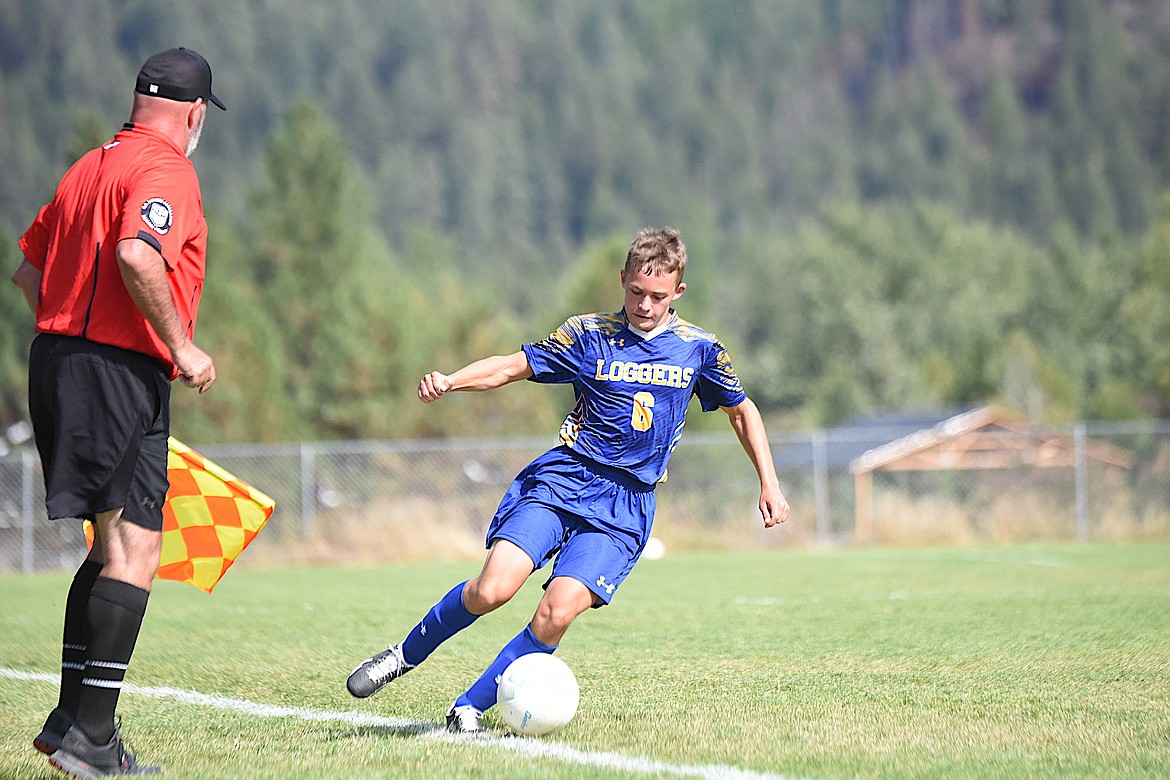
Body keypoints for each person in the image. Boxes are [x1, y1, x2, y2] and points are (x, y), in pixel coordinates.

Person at [347, 227, 789, 733]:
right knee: (492, 589)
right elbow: (513, 367)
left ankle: (467, 708)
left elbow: (742, 410)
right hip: (566, 479)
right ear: (622, 279)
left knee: (555, 615)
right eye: (636, 291)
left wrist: (769, 483)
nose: (645, 305)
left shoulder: (699, 349)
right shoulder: (587, 334)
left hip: (626, 506)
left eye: (658, 296)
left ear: (678, 293)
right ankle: (402, 655)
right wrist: (451, 381)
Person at [10, 47, 225, 777]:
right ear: (194, 113)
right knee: (136, 551)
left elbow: (27, 269)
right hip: (115, 369)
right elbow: (138, 254)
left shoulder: (88, 166)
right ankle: (92, 739)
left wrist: (70, 327)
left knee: (109, 547)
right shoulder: (168, 170)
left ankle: (71, 722)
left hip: (59, 360)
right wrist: (183, 347)